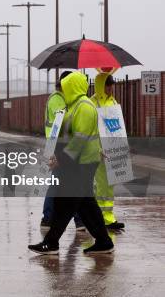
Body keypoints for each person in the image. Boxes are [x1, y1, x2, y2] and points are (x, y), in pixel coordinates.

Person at [29, 71, 114, 255]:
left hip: (81, 162)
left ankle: (51, 242)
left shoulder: (83, 106)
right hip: (77, 162)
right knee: (85, 204)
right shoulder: (73, 105)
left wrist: (61, 159)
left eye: (66, 87)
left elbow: (79, 140)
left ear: (72, 87)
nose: (63, 90)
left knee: (67, 202)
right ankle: (104, 241)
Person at [40, 71, 85, 231]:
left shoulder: (58, 99)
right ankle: (73, 219)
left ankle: (50, 218)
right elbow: (64, 123)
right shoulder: (58, 100)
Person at [90, 72, 125, 230]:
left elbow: (117, 126)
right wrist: (97, 149)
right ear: (100, 86)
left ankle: (108, 218)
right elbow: (89, 129)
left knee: (110, 185)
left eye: (112, 85)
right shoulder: (93, 103)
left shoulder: (113, 102)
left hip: (113, 149)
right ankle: (100, 219)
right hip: (99, 151)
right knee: (101, 185)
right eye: (108, 85)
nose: (111, 88)